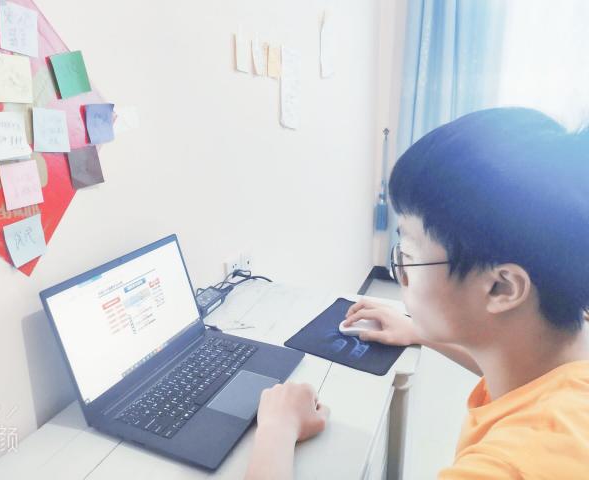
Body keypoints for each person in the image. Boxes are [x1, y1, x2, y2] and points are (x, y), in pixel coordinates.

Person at [245, 107, 589, 479]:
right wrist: (418, 330)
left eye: (408, 254)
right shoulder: (562, 346)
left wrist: (277, 429)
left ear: (501, 287)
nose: (401, 273)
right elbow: (515, 361)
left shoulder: (512, 465)